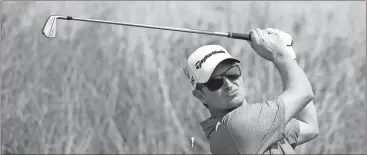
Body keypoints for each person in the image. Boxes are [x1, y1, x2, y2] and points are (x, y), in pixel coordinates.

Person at [183, 28, 319, 154]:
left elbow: (310, 127)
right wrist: (281, 53)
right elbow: (303, 92)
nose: (228, 84)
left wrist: (287, 52)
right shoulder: (237, 125)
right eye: (215, 82)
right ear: (200, 96)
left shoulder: (258, 125)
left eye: (232, 73)